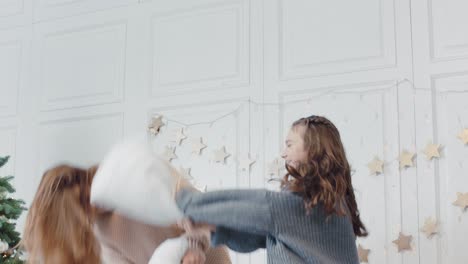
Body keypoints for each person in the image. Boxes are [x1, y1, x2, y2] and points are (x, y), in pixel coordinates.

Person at [176, 115, 368, 263]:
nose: (283, 153)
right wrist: (213, 226)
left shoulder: (302, 201)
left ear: (313, 148)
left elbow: (255, 206)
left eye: (290, 145)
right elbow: (259, 238)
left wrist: (189, 204)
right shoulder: (335, 203)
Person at [22, 164, 231, 264]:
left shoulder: (131, 178)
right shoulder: (101, 232)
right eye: (83, 210)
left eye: (86, 200)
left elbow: (194, 207)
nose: (91, 210)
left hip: (210, 255)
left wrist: (194, 246)